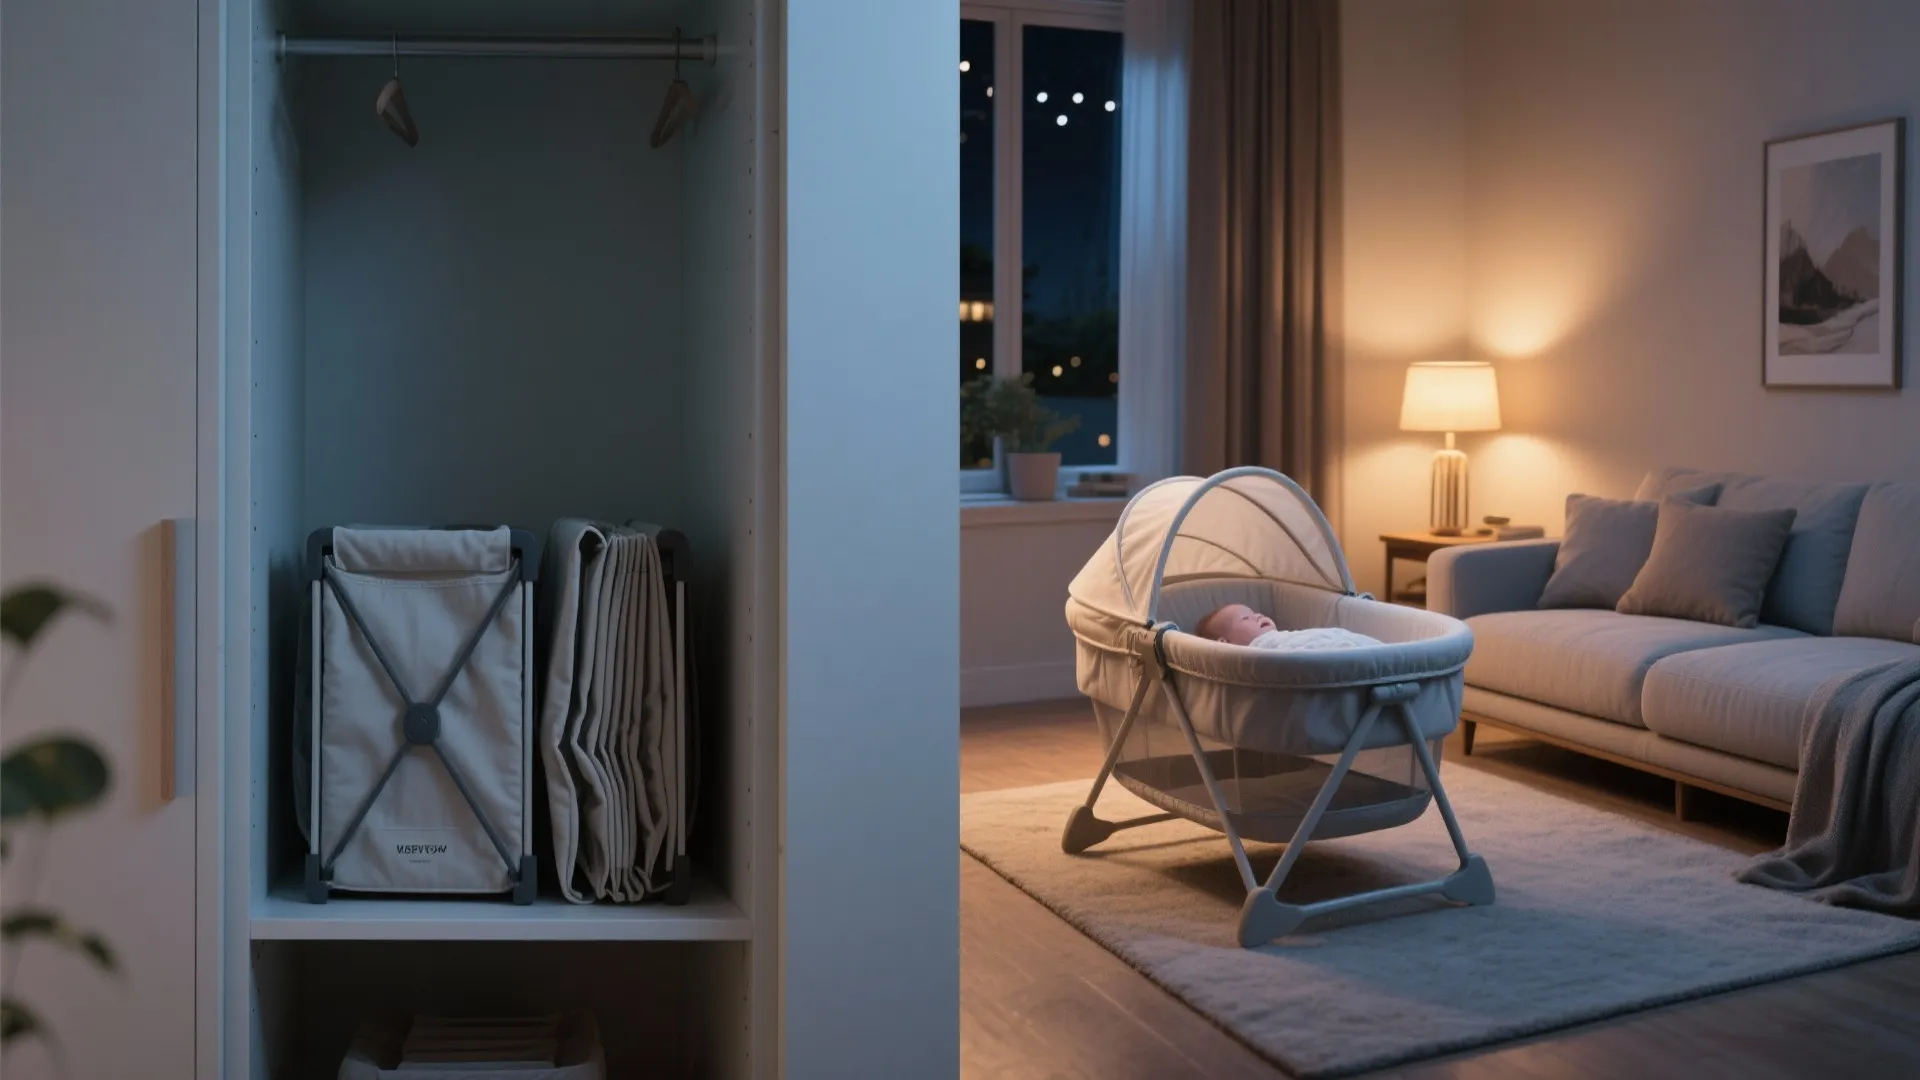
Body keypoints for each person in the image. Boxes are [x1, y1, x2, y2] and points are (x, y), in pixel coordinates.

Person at [1194, 603, 1382, 650]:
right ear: (1225, 644)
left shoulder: (1283, 637)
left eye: (1255, 612)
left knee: (1339, 636)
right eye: (1246, 618)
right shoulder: (1259, 652)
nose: (1258, 616)